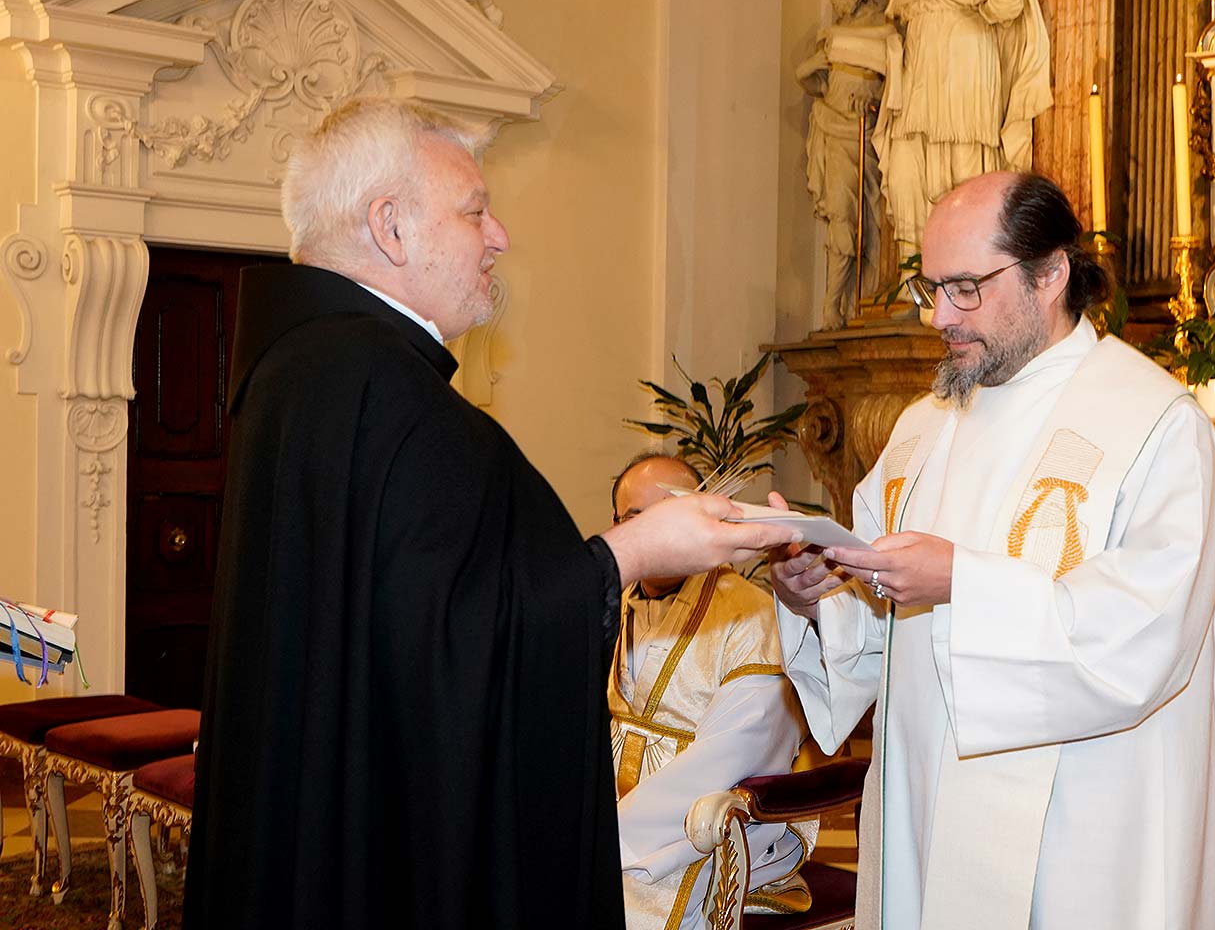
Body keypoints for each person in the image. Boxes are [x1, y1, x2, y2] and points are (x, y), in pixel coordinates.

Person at [185, 97, 797, 930]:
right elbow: (462, 645)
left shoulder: (309, 372)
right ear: (391, 227)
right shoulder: (388, 396)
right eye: (475, 211)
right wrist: (631, 554)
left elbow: (398, 636)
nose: (499, 236)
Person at [766, 171, 1215, 929]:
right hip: (923, 803)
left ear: (1050, 274)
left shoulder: (1155, 425)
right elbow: (883, 626)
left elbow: (1147, 636)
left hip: (1082, 825)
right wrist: (816, 597)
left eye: (965, 289)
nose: (940, 317)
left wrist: (961, 581)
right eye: (931, 289)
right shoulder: (923, 426)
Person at [607, 454, 813, 930]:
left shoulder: (751, 617)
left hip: (707, 821)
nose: (659, 534)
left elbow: (735, 754)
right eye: (639, 520)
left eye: (671, 514)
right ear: (617, 527)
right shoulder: (607, 606)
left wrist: (610, 834)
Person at [874, 0, 1053, 261]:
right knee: (906, 175)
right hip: (918, 92)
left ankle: (970, 268)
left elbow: (1003, 11)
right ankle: (913, 268)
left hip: (966, 89)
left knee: (966, 179)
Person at [797, 0, 894, 329]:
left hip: (865, 136)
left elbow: (895, 81)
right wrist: (808, 67)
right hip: (835, 132)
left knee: (869, 222)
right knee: (841, 216)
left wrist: (874, 104)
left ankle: (862, 299)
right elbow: (816, 82)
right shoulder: (833, 33)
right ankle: (831, 305)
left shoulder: (881, 24)